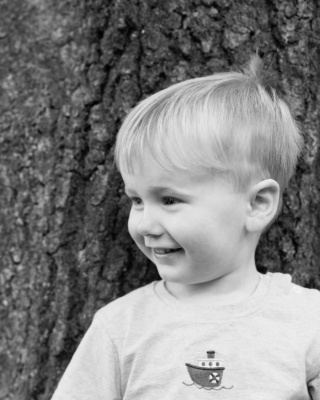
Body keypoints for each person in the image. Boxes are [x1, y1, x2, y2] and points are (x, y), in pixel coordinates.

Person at [52, 56, 320, 399]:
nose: (145, 223)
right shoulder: (121, 328)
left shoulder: (306, 321)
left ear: (257, 204)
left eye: (169, 200)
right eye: (136, 200)